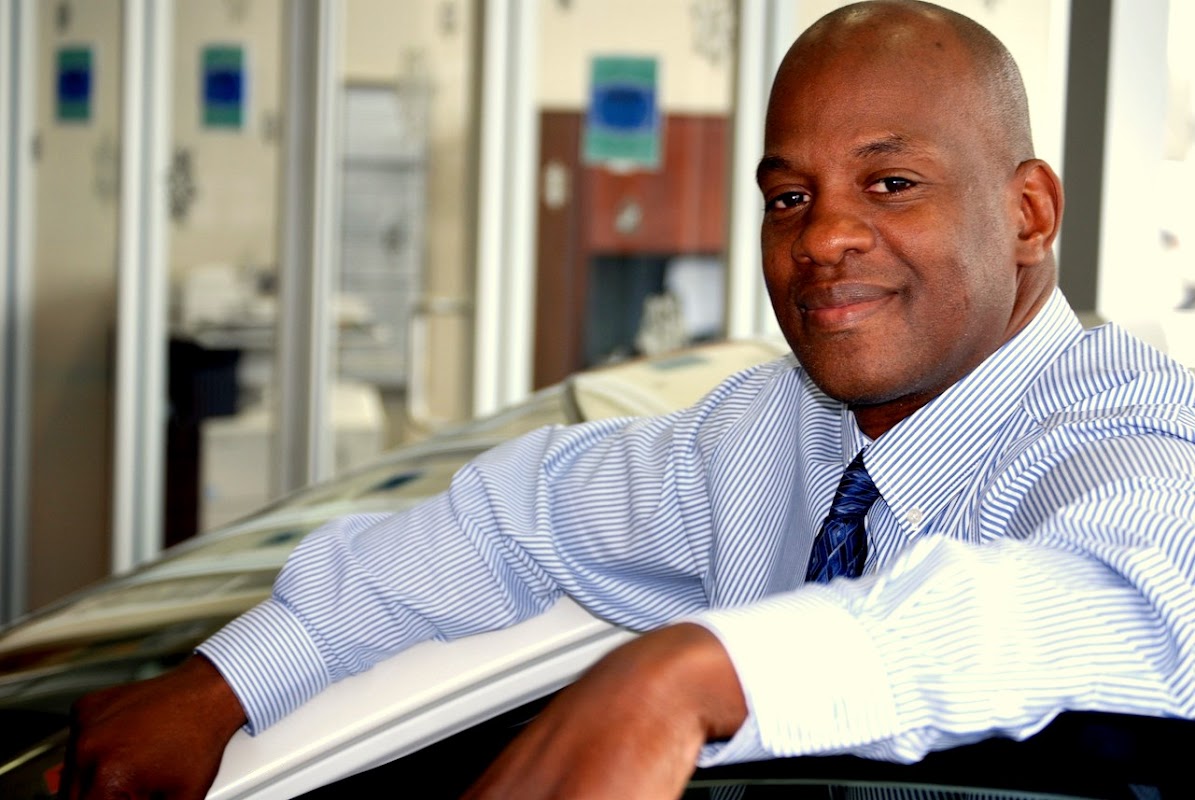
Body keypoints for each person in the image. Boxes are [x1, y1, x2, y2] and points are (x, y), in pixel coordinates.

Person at [61, 1, 1195, 798]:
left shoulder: (1123, 421)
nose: (822, 238)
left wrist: (693, 673)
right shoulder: (769, 433)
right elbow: (506, 521)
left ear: (1029, 213)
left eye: (890, 183)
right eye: (788, 197)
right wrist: (222, 685)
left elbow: (1119, 605)